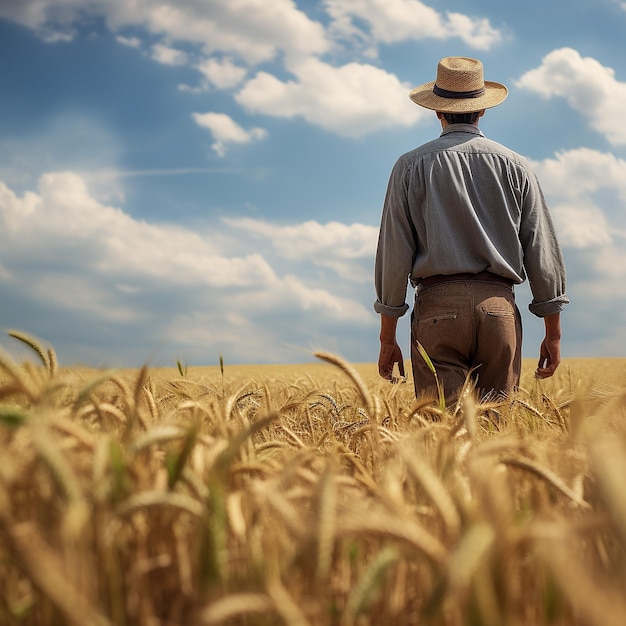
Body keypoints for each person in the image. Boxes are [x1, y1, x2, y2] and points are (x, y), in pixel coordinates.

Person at [374, 56, 569, 400]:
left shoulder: (409, 166)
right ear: (482, 110)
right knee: (496, 432)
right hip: (498, 307)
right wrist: (552, 333)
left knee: (442, 433)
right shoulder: (516, 165)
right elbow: (540, 248)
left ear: (437, 111)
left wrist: (387, 337)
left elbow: (394, 253)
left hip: (436, 308)